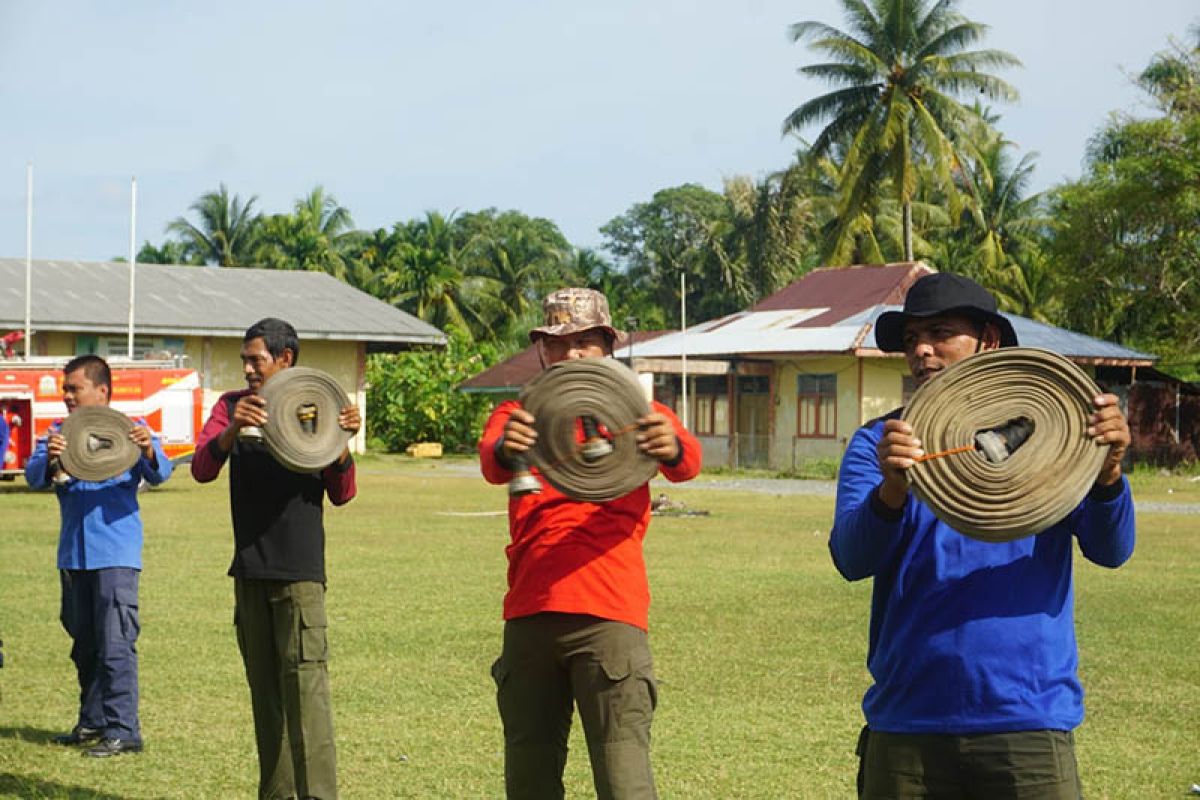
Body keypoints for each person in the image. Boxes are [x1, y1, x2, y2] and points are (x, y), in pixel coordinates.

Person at [830, 272, 1136, 799]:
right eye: (910, 340)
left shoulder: (1055, 436)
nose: (922, 350)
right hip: (908, 725)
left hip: (1027, 721)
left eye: (940, 333)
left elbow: (1111, 551)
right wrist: (893, 489)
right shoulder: (879, 443)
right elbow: (852, 559)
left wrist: (1107, 475)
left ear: (988, 340)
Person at [479, 288, 702, 800]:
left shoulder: (636, 412)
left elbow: (685, 460)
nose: (572, 354)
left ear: (607, 347)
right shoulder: (519, 412)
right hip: (529, 616)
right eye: (559, 343)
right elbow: (492, 460)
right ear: (542, 350)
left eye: (585, 342)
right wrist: (505, 445)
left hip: (609, 617)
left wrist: (669, 446)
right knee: (529, 782)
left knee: (624, 781)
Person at [191, 318, 360, 800]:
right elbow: (202, 469)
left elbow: (343, 492)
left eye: (255, 359)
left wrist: (341, 443)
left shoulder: (316, 406)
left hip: (299, 575)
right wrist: (232, 431)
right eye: (244, 359)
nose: (247, 368)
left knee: (307, 698)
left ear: (285, 359)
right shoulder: (230, 407)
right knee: (266, 703)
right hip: (249, 571)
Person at [25, 354, 173, 757]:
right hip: (73, 555)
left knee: (115, 642)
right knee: (84, 641)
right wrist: (52, 457)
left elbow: (162, 473)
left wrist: (147, 452)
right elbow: (34, 476)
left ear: (102, 391)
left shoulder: (132, 430)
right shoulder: (58, 432)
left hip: (115, 554)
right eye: (66, 389)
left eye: (75, 388)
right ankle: (92, 722)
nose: (67, 396)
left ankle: (124, 728)